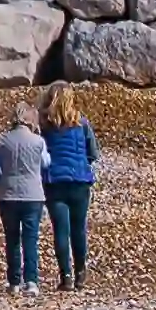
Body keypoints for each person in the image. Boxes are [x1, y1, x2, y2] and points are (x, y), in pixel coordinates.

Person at [0, 100, 51, 291]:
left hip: (8, 194)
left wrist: (2, 183)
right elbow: (46, 163)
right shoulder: (38, 141)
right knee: (30, 237)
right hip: (33, 194)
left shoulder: (1, 140)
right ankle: (31, 280)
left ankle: (14, 281)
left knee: (12, 238)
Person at [40, 94, 98, 288]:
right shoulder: (82, 122)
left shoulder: (45, 125)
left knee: (61, 231)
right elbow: (93, 152)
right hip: (79, 180)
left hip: (55, 181)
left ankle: (66, 276)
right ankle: (81, 272)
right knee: (78, 228)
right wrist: (82, 164)